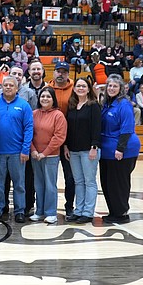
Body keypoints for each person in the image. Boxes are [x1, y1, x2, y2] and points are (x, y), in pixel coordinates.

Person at [0, 75, 33, 223]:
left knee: (19, 184)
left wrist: (25, 149)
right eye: (5, 85)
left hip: (17, 152)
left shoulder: (24, 105)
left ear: (16, 88)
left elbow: (28, 128)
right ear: (1, 87)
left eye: (11, 85)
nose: (8, 87)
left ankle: (20, 210)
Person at [100, 75, 141, 224]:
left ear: (121, 89)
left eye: (115, 86)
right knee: (107, 183)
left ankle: (122, 213)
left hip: (122, 150)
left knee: (119, 183)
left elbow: (127, 128)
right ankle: (114, 211)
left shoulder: (124, 104)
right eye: (109, 86)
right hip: (106, 151)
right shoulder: (106, 103)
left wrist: (120, 148)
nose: (111, 89)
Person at [64, 77, 101, 224]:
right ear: (74, 89)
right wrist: (66, 145)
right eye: (78, 86)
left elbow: (97, 128)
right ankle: (78, 210)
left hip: (88, 150)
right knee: (78, 181)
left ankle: (88, 212)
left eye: (83, 86)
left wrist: (94, 147)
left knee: (89, 181)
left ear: (88, 89)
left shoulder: (94, 105)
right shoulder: (72, 105)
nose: (80, 88)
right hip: (73, 150)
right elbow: (69, 128)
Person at [30, 87, 67, 224]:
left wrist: (44, 153)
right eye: (42, 96)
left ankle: (51, 212)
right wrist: (33, 150)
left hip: (51, 156)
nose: (45, 99)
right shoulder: (34, 113)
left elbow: (59, 137)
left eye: (48, 96)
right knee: (38, 184)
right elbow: (29, 133)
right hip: (35, 155)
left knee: (50, 184)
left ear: (53, 99)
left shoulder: (58, 115)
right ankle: (39, 211)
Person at [49, 61, 75, 216]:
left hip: (69, 139)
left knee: (70, 177)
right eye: (58, 71)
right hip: (49, 139)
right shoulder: (47, 89)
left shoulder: (74, 89)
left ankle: (69, 206)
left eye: (64, 72)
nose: (61, 74)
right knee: (47, 177)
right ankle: (46, 207)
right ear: (53, 73)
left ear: (68, 74)